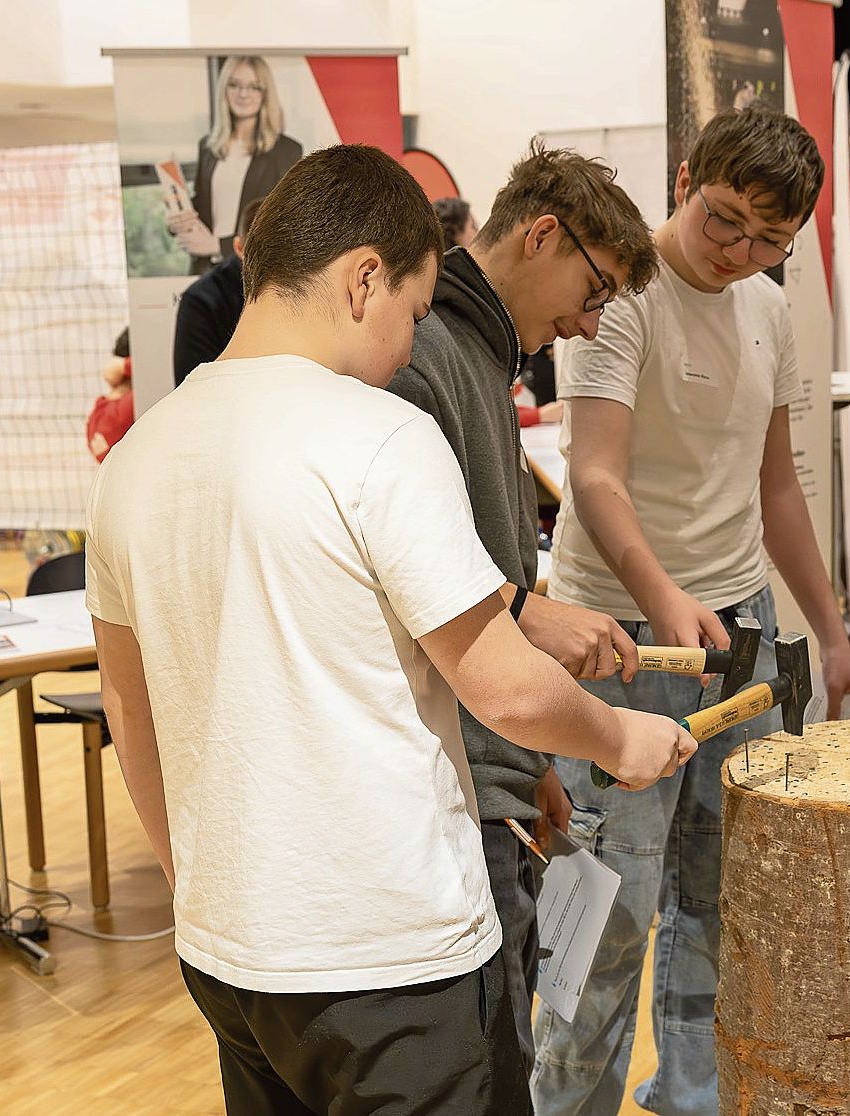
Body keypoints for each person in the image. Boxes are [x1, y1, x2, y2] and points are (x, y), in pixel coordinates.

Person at [86, 143, 694, 1116]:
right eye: (412, 314)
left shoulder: (136, 457)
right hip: (392, 959)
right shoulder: (380, 435)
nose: (412, 349)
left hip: (231, 955)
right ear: (363, 277)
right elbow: (504, 683)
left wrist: (190, 875)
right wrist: (625, 737)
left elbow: (131, 705)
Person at [533, 107, 850, 1116]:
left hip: (742, 636)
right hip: (616, 641)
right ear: (686, 177)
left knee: (728, 899)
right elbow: (592, 477)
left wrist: (833, 632)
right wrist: (659, 597)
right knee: (600, 908)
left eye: (770, 239)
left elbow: (775, 490)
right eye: (724, 220)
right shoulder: (620, 295)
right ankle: (563, 1103)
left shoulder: (766, 307)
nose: (740, 253)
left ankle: (693, 1096)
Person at [386, 141, 660, 1078]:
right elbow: (415, 589)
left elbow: (476, 572)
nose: (589, 325)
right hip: (445, 800)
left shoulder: (476, 354)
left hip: (489, 783)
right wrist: (536, 631)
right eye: (595, 292)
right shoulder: (423, 357)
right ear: (543, 235)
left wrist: (527, 763)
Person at [172, 56, 302, 271]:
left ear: (265, 93)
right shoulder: (208, 146)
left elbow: (285, 224)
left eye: (254, 87)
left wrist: (220, 246)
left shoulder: (286, 151)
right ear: (224, 89)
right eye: (234, 85)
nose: (243, 94)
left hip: (253, 274)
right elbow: (204, 205)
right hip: (205, 272)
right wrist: (179, 218)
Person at [173, 196, 262, 385]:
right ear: (239, 248)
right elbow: (191, 386)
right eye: (261, 253)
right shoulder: (201, 300)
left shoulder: (307, 289)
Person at [86, 328, 133, 462]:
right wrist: (126, 366)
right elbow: (152, 368)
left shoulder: (98, 412)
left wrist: (123, 367)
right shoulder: (130, 403)